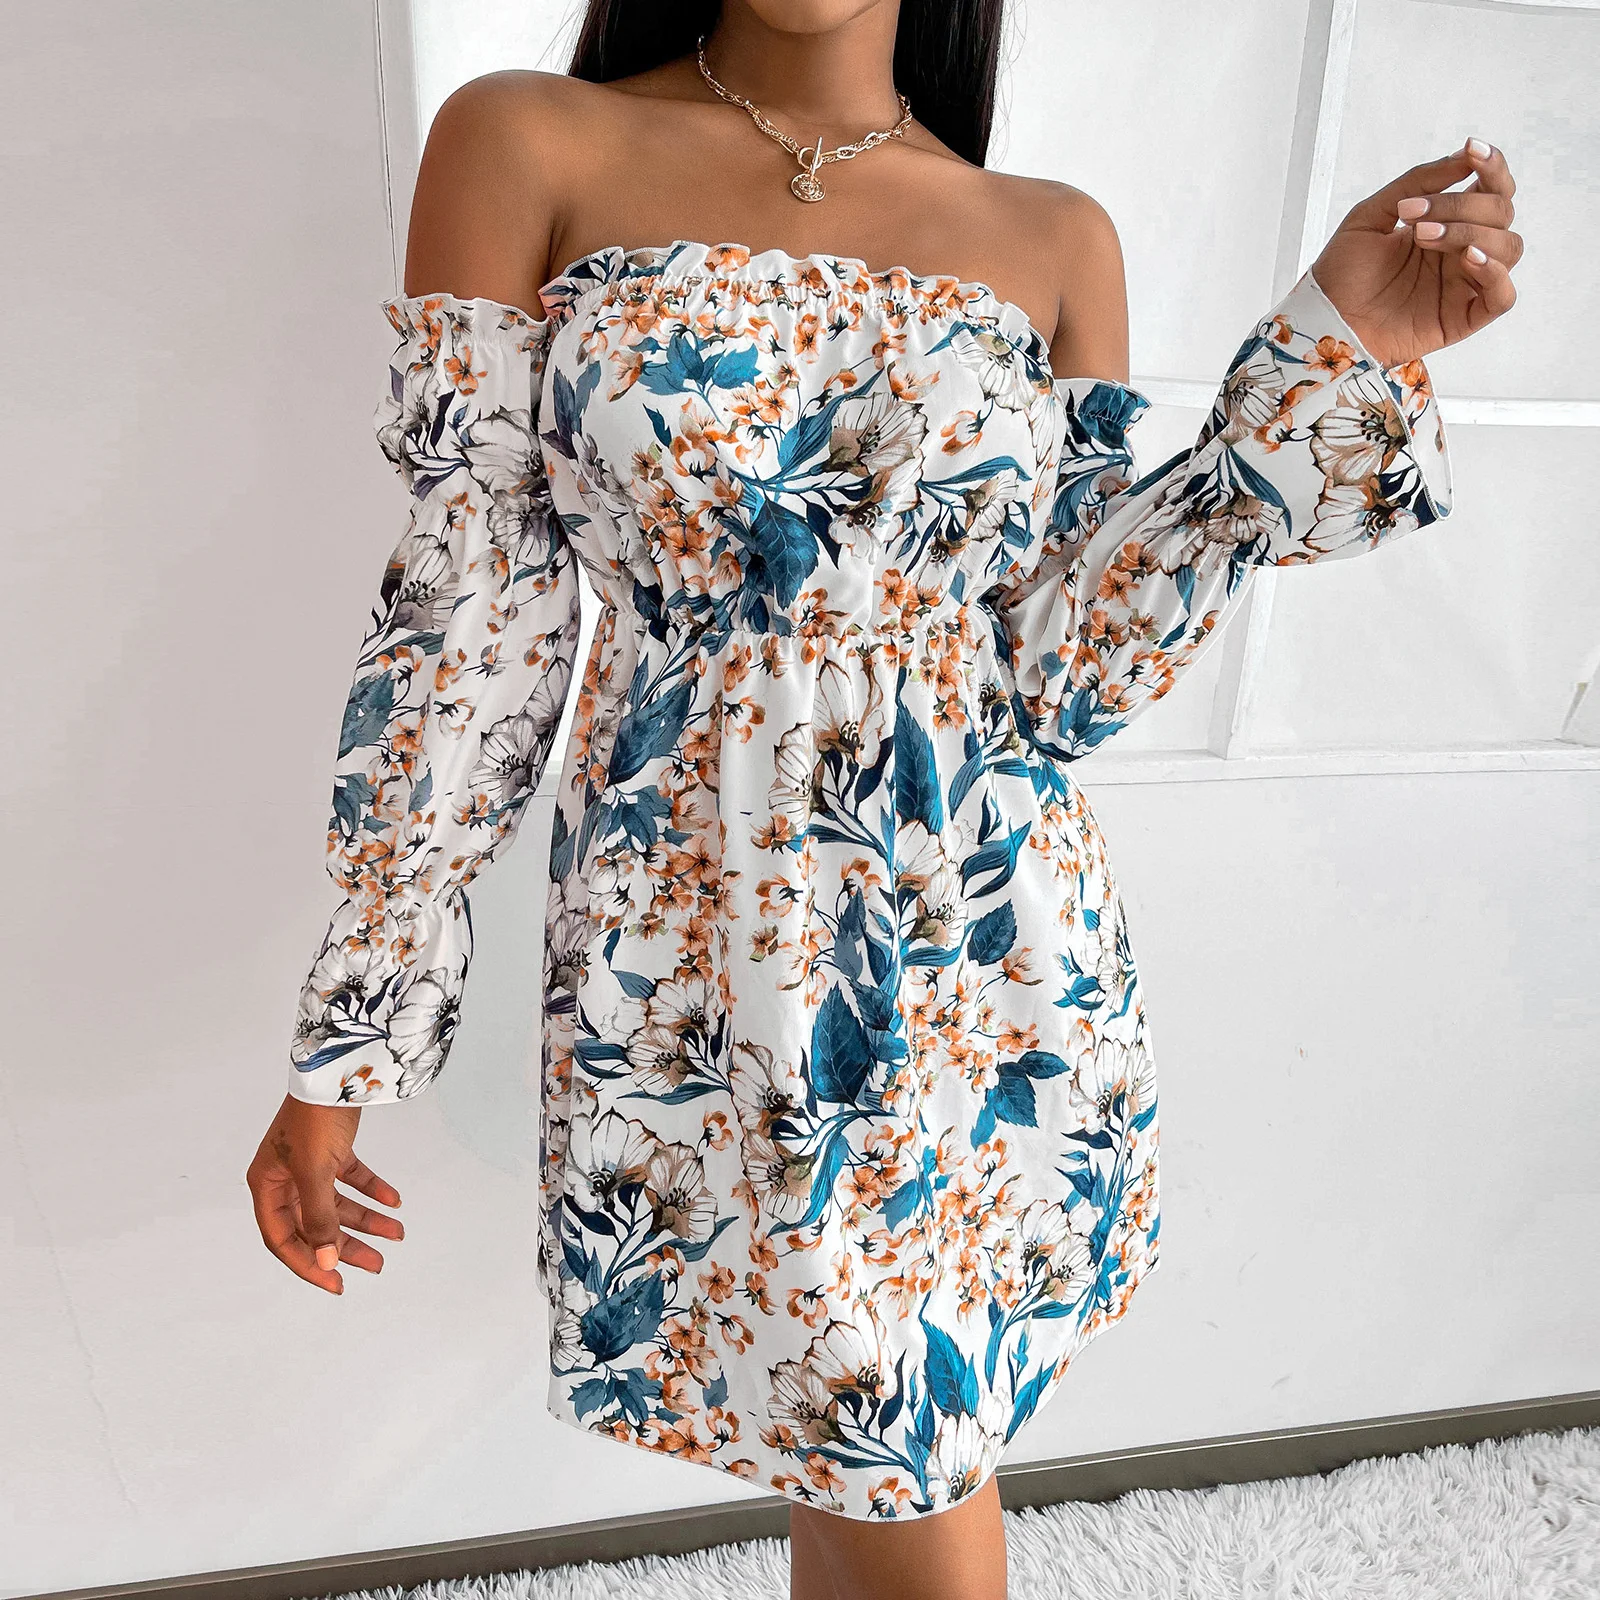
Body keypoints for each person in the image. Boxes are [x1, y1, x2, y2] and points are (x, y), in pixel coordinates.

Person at [246, 3, 1520, 1595]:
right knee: (856, 1447)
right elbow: (474, 625)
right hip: (697, 965)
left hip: (979, 958)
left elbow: (1066, 675)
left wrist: (1346, 342)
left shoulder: (1055, 238)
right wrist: (357, 1028)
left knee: (889, 1452)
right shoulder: (527, 142)